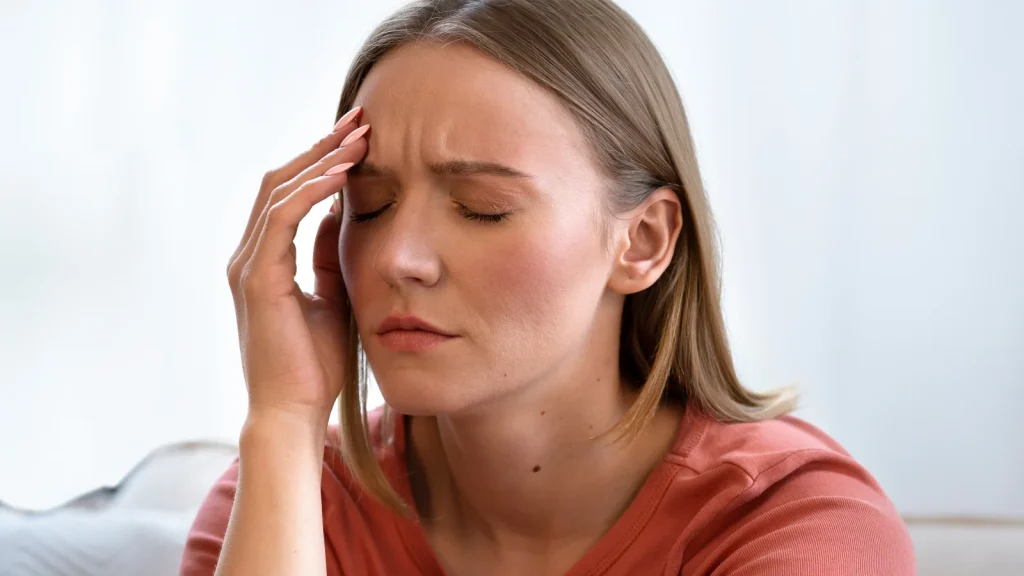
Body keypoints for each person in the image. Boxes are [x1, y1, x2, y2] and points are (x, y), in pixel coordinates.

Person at [180, 1, 915, 574]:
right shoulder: (280, 499)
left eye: (482, 208)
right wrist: (282, 420)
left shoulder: (796, 526)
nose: (397, 257)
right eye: (370, 207)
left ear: (643, 241)